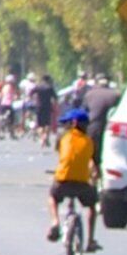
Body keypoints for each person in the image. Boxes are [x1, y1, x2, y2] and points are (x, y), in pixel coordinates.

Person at [45, 103, 100, 242]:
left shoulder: (63, 137)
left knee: (52, 197)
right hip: (82, 182)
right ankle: (91, 240)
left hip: (63, 179)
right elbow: (94, 164)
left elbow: (62, 155)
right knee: (92, 206)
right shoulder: (90, 142)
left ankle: (55, 221)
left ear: (73, 123)